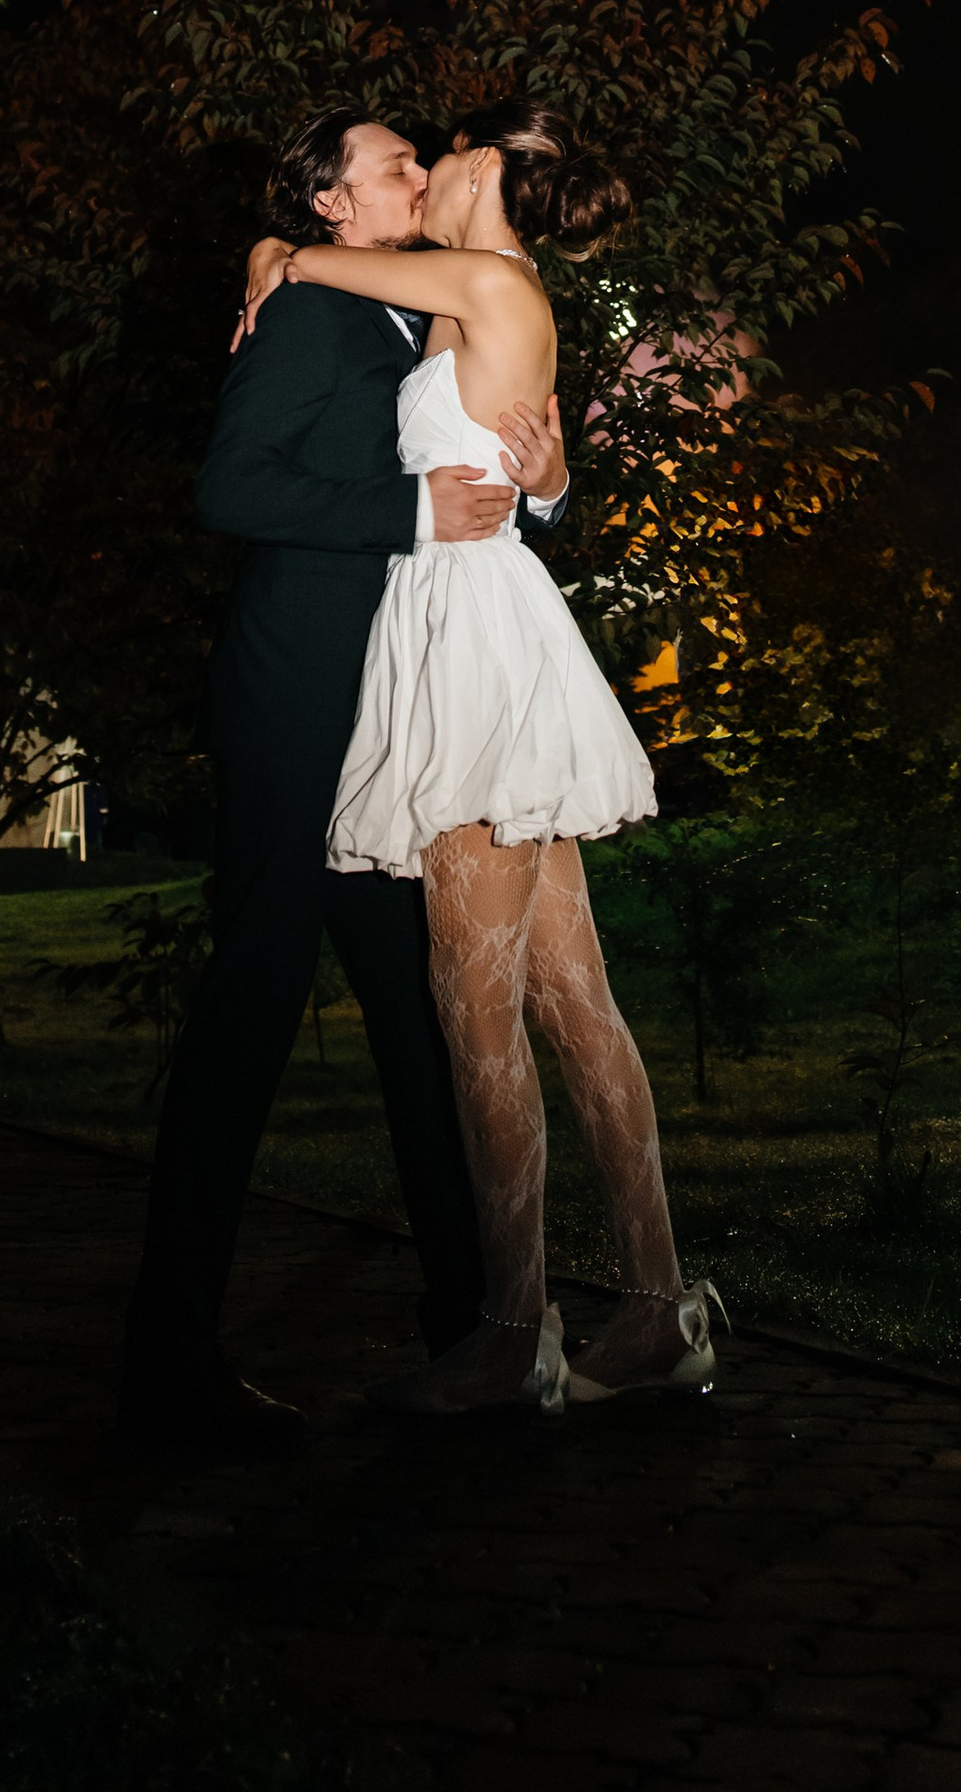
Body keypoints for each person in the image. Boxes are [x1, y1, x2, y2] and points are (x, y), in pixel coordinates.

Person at [241, 99, 721, 1419]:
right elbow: (520, 459)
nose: (434, 157)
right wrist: (552, 473)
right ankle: (656, 1308)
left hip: (473, 642)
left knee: (475, 1007)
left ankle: (514, 1333)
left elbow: (313, 253)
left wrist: (271, 252)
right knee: (573, 1002)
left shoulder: (485, 277)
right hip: (475, 618)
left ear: (495, 176)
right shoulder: (472, 295)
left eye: (450, 150)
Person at [119, 112, 568, 1448]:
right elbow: (229, 485)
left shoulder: (411, 308)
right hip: (299, 706)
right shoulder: (313, 314)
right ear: (330, 200)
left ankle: (472, 1330)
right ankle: (171, 1354)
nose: (421, 173)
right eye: (392, 165)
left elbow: (496, 469)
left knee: (427, 1021)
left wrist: (543, 491)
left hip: (403, 725)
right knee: (250, 1014)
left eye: (421, 159)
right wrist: (410, 512)